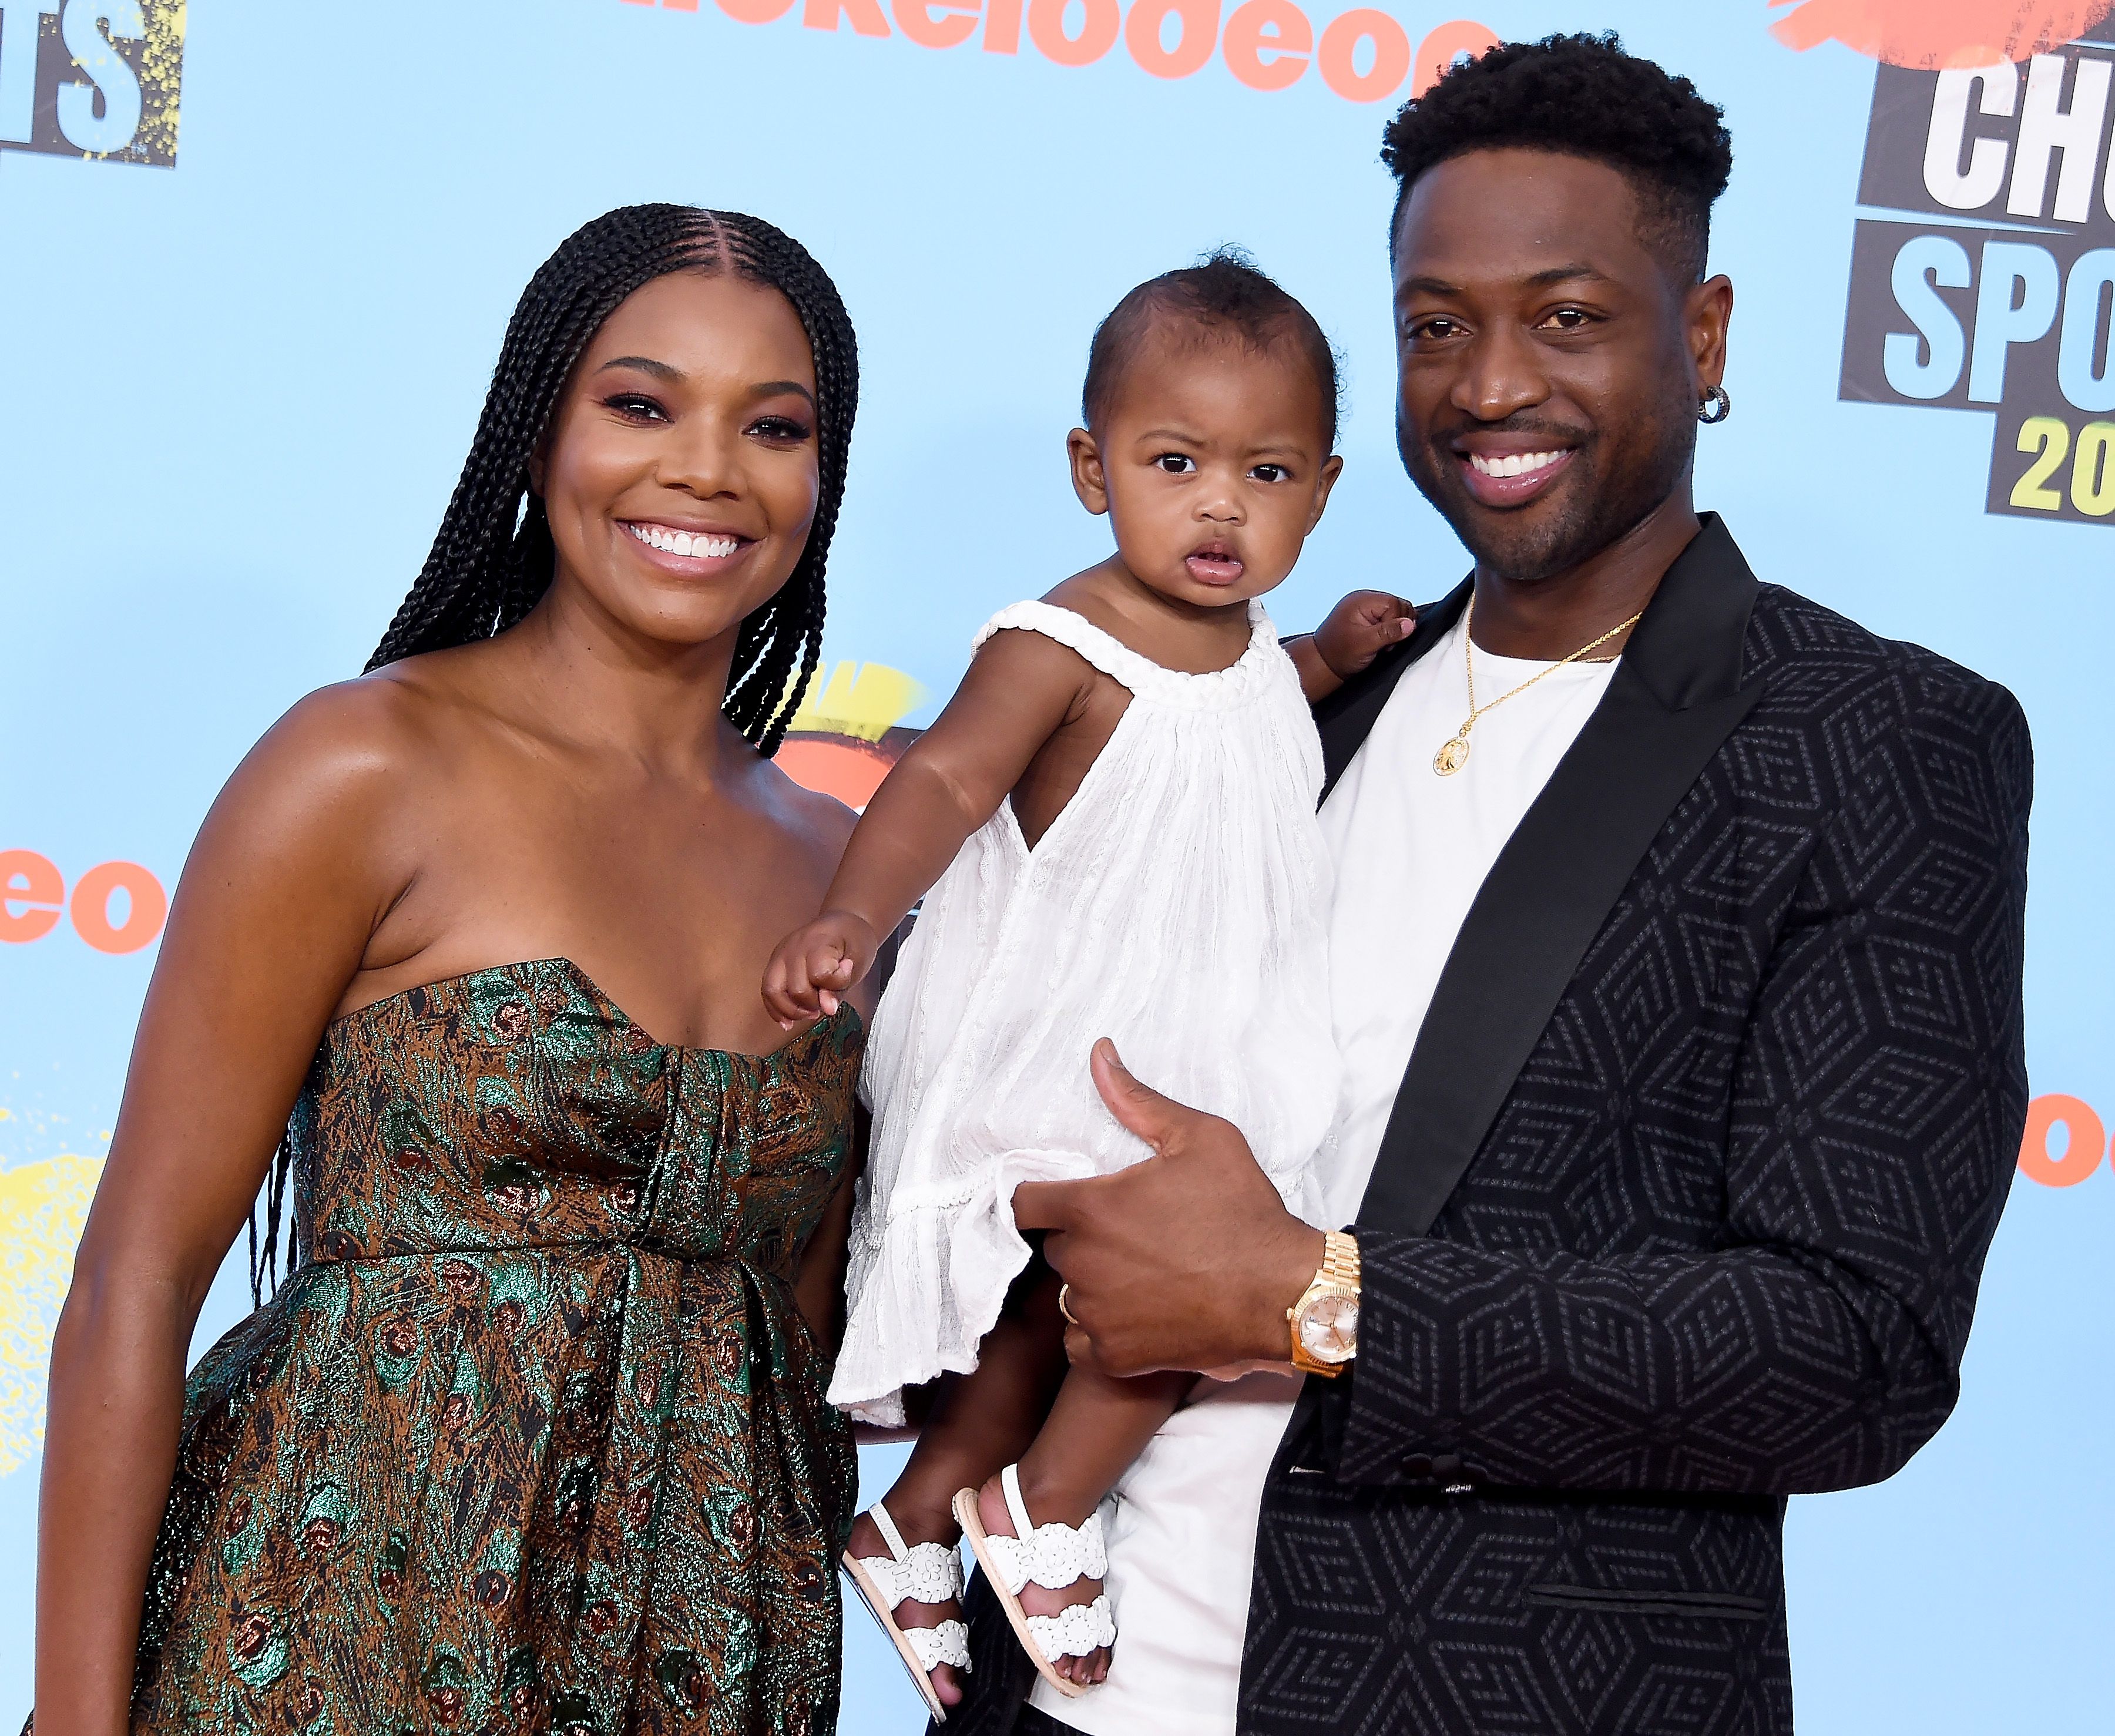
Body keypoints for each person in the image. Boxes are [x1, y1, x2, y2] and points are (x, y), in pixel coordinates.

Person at [948, 35, 2035, 1736]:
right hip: (1076, 1693)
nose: (1487, 385)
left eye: (1570, 317)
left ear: (1707, 333)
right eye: (1434, 326)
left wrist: (1317, 1295)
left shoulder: (1875, 739)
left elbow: (1854, 1341)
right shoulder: (1293, 702)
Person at [31, 204, 872, 1736]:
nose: (705, 467)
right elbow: (132, 1285)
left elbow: (801, 1357)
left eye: (774, 425)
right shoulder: (364, 765)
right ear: (538, 430)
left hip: (700, 1658)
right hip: (327, 1645)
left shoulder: (846, 862)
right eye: (640, 403)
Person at [760, 254, 1414, 1717]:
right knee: (1172, 1287)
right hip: (1065, 1027)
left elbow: (1247, 705)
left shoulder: (1246, 648)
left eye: (1266, 471)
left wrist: (1331, 650)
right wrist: (855, 915)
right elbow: (939, 774)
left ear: (1319, 491)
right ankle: (1043, 1509)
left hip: (1182, 1026)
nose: (1220, 506)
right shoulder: (1059, 640)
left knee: (1063, 1313)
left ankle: (920, 1512)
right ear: (1090, 466)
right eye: (1174, 463)